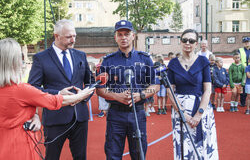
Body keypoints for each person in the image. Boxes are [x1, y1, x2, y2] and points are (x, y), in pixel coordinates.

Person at [0, 38, 95, 160]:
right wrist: (82, 95)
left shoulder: (20, 91)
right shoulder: (22, 90)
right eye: (21, 56)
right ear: (13, 61)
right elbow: (53, 101)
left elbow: (21, 105)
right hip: (19, 147)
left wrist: (34, 116)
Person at [28, 19, 95, 160]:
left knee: (80, 157)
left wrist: (83, 96)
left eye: (74, 36)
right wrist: (57, 93)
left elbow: (91, 83)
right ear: (56, 36)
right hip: (55, 119)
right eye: (69, 37)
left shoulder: (80, 55)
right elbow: (32, 88)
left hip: (79, 118)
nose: (73, 40)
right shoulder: (41, 58)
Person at [96, 20, 160, 159]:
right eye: (120, 34)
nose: (123, 37)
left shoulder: (145, 59)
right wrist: (116, 96)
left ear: (133, 36)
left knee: (139, 154)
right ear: (115, 37)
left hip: (137, 113)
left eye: (127, 34)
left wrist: (141, 95)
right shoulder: (107, 61)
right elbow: (100, 89)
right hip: (115, 115)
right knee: (113, 154)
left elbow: (155, 85)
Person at [167, 29, 219, 159]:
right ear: (180, 42)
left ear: (196, 44)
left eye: (191, 41)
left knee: (203, 147)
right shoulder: (173, 63)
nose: (187, 43)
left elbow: (208, 89)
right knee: (183, 145)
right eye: (185, 40)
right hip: (180, 109)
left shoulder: (203, 61)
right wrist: (183, 113)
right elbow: (170, 90)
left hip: (201, 108)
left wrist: (198, 114)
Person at [238, 37, 250, 107]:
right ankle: (243, 102)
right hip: (242, 70)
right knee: (243, 86)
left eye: (248, 42)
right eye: (245, 42)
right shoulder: (240, 50)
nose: (246, 43)